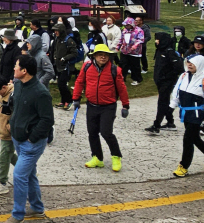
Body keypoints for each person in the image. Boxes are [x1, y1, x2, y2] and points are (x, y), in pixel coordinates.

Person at [1, 54, 54, 223]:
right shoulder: (18, 84)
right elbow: (18, 105)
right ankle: (37, 208)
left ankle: (17, 215)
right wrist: (11, 120)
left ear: (24, 71)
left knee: (19, 175)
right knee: (29, 174)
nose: (14, 68)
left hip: (31, 144)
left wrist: (32, 137)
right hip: (18, 138)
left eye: (16, 66)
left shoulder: (41, 92)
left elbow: (47, 120)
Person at [72, 44, 129, 172]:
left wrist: (125, 105)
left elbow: (122, 88)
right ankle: (97, 158)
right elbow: (80, 82)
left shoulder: (115, 70)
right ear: (94, 56)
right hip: (92, 105)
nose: (103, 57)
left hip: (108, 107)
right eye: (100, 55)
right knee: (92, 132)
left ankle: (116, 156)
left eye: (105, 55)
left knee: (106, 132)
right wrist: (76, 98)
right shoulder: (86, 67)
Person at [170, 55, 204, 178]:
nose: (189, 65)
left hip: (197, 114)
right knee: (194, 138)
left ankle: (184, 166)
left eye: (193, 63)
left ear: (200, 64)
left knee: (188, 139)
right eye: (188, 62)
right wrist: (172, 105)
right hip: (186, 113)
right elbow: (177, 91)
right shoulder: (184, 76)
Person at [146, 32, 183, 134]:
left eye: (158, 39)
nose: (156, 41)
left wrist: (167, 77)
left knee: (162, 102)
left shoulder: (170, 52)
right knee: (165, 102)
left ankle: (156, 125)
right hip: (160, 81)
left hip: (167, 82)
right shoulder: (159, 51)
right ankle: (170, 122)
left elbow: (179, 68)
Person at [50, 22, 80, 110]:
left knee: (62, 84)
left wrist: (64, 58)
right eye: (54, 30)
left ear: (61, 31)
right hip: (58, 66)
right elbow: (55, 50)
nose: (55, 32)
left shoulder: (69, 40)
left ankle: (70, 100)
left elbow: (75, 53)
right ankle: (63, 101)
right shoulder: (57, 39)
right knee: (60, 85)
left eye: (57, 30)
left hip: (66, 66)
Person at [116, 18, 145, 85]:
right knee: (123, 65)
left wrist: (135, 46)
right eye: (126, 25)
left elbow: (140, 40)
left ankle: (136, 79)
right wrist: (118, 46)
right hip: (125, 51)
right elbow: (121, 39)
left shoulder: (139, 31)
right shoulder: (124, 30)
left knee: (135, 66)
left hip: (134, 52)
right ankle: (122, 78)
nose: (127, 26)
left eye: (128, 25)